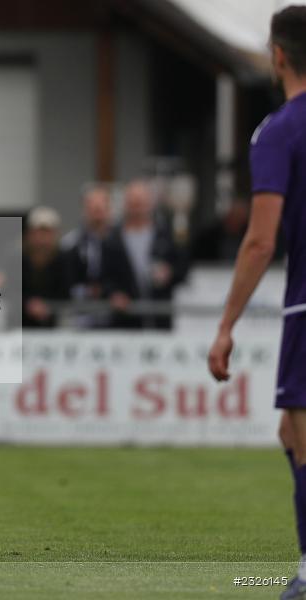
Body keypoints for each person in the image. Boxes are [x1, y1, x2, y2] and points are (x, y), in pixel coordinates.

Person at [207, 7, 306, 599]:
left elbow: (262, 238)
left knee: (301, 430)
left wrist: (225, 327)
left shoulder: (280, 130)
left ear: (277, 56)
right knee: (291, 435)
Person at [101, 179, 184, 329]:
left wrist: (169, 273)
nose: (137, 208)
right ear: (125, 204)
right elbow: (103, 276)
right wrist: (113, 294)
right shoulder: (112, 239)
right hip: (125, 319)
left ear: (150, 204)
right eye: (133, 203)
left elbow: (183, 268)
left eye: (141, 203)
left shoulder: (165, 235)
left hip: (159, 316)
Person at [62, 185, 113, 304]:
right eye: (93, 209)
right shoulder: (69, 243)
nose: (98, 216)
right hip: (80, 312)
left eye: (101, 209)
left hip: (113, 314)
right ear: (84, 210)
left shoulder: (119, 243)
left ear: (109, 210)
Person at [21, 206, 70, 329]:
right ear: (30, 234)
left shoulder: (65, 260)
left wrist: (48, 306)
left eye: (47, 232)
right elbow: (10, 290)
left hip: (54, 328)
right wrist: (27, 304)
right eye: (39, 232)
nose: (42, 238)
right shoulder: (17, 258)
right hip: (21, 327)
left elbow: (67, 292)